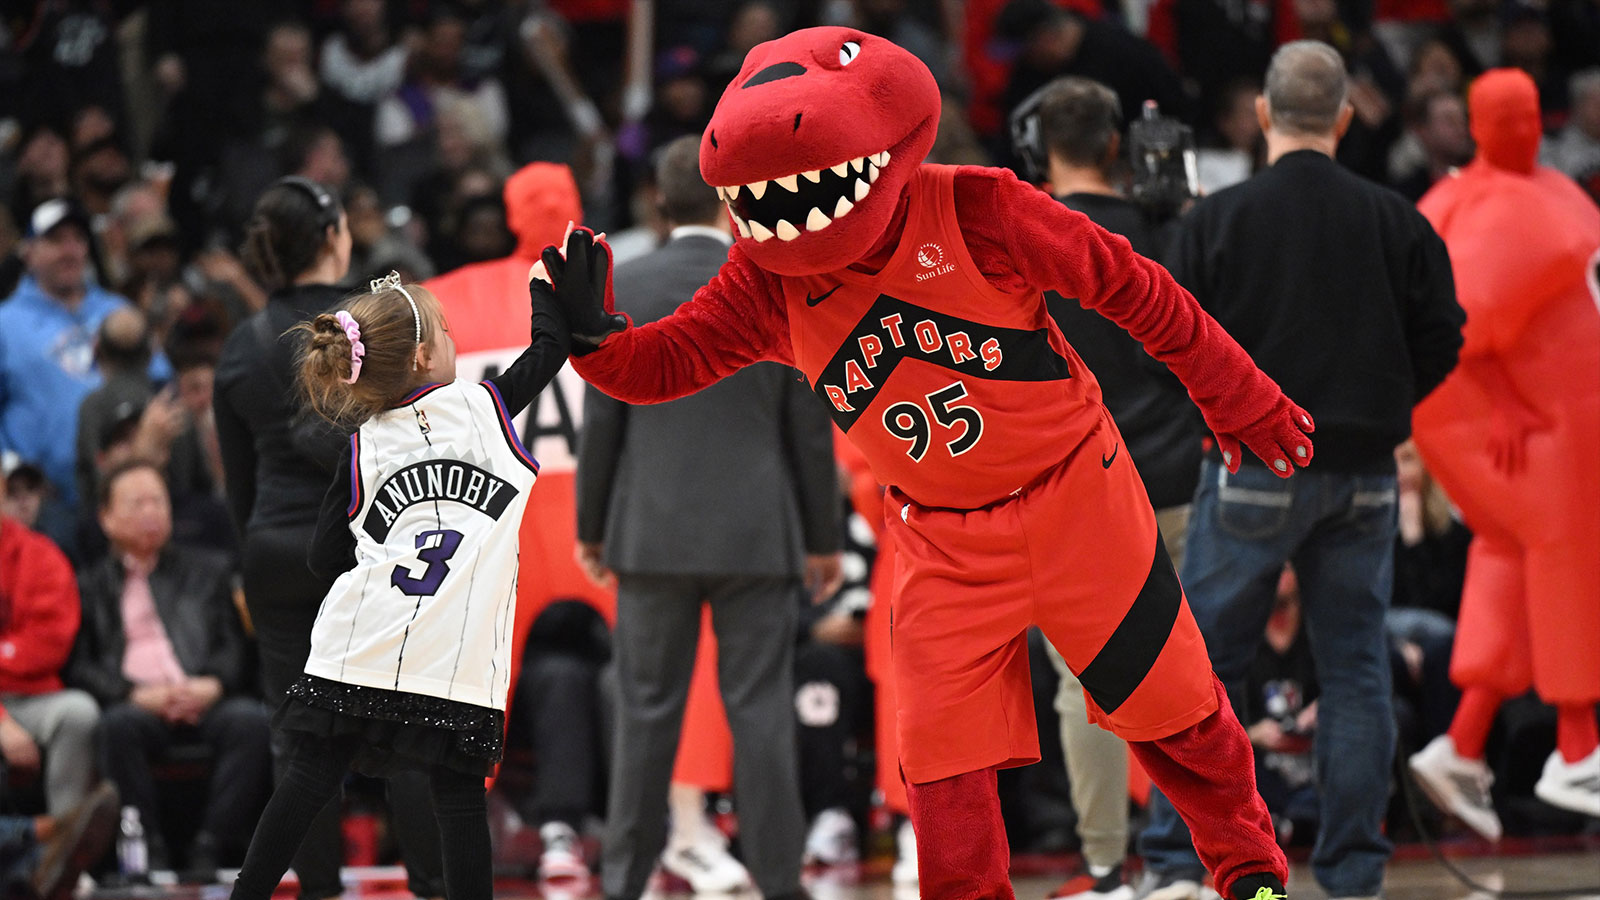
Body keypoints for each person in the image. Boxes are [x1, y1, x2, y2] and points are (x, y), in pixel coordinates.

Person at [545, 27, 1317, 900]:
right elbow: (667, 363)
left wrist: (1235, 390)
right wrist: (597, 344)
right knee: (943, 773)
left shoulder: (979, 205)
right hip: (943, 543)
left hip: (1076, 497)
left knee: (1178, 712)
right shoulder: (767, 276)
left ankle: (1250, 871)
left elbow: (1131, 287)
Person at [1136, 41, 1465, 900]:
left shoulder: (1218, 219)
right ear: (1346, 117)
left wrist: (1225, 412)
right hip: (1363, 472)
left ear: (1262, 115)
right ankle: (1353, 875)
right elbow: (1444, 337)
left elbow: (1169, 338)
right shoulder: (1398, 217)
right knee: (1357, 670)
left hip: (1250, 466)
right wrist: (1386, 406)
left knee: (1205, 671)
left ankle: (1177, 862)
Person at [229, 270, 571, 900]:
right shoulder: (482, 408)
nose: (451, 337)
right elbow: (547, 353)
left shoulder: (363, 445)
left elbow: (322, 556)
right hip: (455, 656)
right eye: (445, 330)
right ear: (421, 355)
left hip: (364, 641)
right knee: (460, 802)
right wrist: (546, 294)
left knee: (308, 779)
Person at [574, 136, 841, 900]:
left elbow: (604, 421)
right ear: (731, 202)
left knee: (645, 712)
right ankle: (782, 881)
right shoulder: (774, 283)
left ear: (658, 202)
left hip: (651, 530)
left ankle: (623, 881)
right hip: (759, 533)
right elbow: (809, 426)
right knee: (759, 709)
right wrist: (822, 539)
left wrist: (592, 526)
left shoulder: (625, 286)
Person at [213, 178, 442, 900]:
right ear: (335, 234)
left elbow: (239, 486)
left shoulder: (242, 344)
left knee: (298, 742)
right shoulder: (373, 319)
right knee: (406, 725)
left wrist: (256, 558)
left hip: (273, 551)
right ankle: (436, 887)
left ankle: (319, 892)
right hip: (362, 545)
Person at [1012, 75, 1201, 900]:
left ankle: (1103, 869)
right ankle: (1182, 862)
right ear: (1119, 147)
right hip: (1172, 480)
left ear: (1037, 149)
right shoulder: (1170, 232)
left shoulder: (1019, 239)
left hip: (1068, 489)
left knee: (1079, 683)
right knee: (1183, 669)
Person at [1406, 68, 1600, 835]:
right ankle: (1579, 747)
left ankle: (1462, 741)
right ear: (1483, 127)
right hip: (1512, 423)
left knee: (1510, 555)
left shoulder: (1544, 189)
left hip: (1544, 414)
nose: (1521, 128)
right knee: (1558, 548)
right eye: (1506, 117)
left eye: (1530, 115)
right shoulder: (1475, 206)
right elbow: (1462, 321)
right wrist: (1511, 406)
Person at [67, 461, 271, 873]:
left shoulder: (208, 571)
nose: (151, 512)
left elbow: (234, 646)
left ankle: (211, 847)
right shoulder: (89, 586)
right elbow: (80, 664)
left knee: (250, 722)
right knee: (115, 727)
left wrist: (212, 684)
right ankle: (147, 850)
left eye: (157, 501)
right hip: (137, 702)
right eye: (137, 503)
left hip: (202, 696)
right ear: (105, 518)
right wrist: (131, 693)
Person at [0, 200, 166, 519]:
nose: (70, 250)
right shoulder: (6, 324)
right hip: (46, 502)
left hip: (127, 489)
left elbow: (161, 385)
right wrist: (14, 476)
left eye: (78, 239)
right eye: (56, 241)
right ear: (28, 253)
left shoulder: (118, 311)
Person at [0, 473, 99, 821]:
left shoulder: (39, 554)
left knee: (78, 713)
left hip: (30, 698)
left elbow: (50, 644)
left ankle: (64, 846)